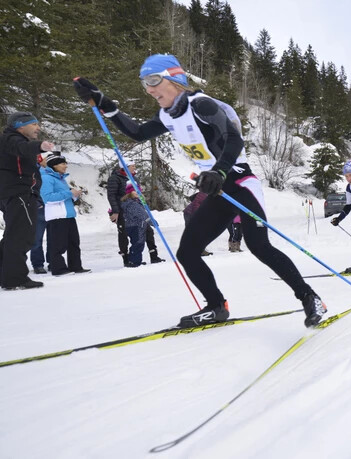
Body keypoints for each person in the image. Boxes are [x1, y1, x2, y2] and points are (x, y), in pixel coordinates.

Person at [73, 53, 326, 327]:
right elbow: (137, 132)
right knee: (188, 252)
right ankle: (216, 305)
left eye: (154, 80)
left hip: (240, 183)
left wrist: (218, 171)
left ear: (174, 78)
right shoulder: (167, 116)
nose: (149, 89)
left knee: (259, 245)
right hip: (216, 191)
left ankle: (311, 299)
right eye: (144, 83)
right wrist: (104, 104)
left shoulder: (201, 105)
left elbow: (233, 140)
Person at [0, 112, 55, 290]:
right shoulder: (11, 139)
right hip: (18, 194)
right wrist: (40, 146)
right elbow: (22, 148)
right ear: (20, 126)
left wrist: (35, 194)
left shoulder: (14, 140)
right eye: (33, 124)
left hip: (20, 194)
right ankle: (15, 279)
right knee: (21, 236)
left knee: (12, 235)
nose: (38, 127)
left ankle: (7, 275)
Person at [107, 158, 164, 266]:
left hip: (137, 210)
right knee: (125, 236)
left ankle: (153, 256)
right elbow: (111, 196)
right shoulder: (115, 178)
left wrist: (142, 203)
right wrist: (115, 211)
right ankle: (127, 259)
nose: (135, 167)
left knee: (148, 232)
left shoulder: (134, 178)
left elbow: (138, 194)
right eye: (132, 165)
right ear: (125, 167)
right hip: (124, 211)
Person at [40, 154, 90, 275]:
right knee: (58, 245)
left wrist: (74, 195)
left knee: (74, 242)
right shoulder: (46, 178)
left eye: (65, 163)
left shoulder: (61, 179)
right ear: (54, 165)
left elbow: (64, 197)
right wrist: (69, 193)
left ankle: (76, 266)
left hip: (68, 215)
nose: (66, 166)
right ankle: (59, 269)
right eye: (63, 163)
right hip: (57, 216)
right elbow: (47, 198)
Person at [120, 181, 151, 267]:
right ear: (129, 193)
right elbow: (142, 214)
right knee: (138, 244)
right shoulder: (132, 204)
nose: (137, 192)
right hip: (135, 226)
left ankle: (135, 260)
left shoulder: (136, 202)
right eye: (134, 190)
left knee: (137, 243)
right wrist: (151, 221)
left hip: (136, 226)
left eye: (138, 191)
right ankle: (134, 261)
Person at [29, 153, 49, 274]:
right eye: (47, 159)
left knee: (53, 238)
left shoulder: (52, 171)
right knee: (37, 239)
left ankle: (53, 261)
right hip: (39, 208)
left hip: (52, 208)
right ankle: (37, 264)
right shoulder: (32, 171)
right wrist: (36, 204)